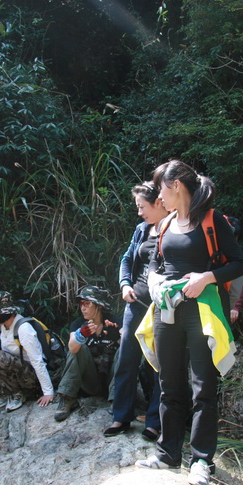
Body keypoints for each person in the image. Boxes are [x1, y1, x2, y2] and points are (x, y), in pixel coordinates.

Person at [135, 159, 243, 485]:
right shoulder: (166, 224)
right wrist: (154, 280)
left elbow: (240, 263)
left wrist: (207, 277)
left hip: (203, 311)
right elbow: (154, 262)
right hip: (167, 310)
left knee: (203, 387)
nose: (159, 198)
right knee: (168, 383)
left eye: (160, 190)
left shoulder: (213, 221)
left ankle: (201, 461)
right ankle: (169, 453)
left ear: (176, 186)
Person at [104, 181, 168, 440]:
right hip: (135, 303)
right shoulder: (142, 230)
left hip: (162, 308)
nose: (139, 212)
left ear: (158, 203)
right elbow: (127, 259)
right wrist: (124, 284)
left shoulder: (175, 230)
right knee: (126, 359)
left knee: (159, 365)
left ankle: (155, 421)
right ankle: (121, 417)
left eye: (142, 207)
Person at [0, 291, 55, 411]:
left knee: (0, 356)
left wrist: (48, 392)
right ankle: (4, 394)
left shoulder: (24, 329)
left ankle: (17, 395)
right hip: (14, 373)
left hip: (31, 379)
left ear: (5, 312)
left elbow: (37, 361)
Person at [54, 286, 121, 422]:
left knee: (124, 350)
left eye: (87, 304)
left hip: (112, 380)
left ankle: (118, 399)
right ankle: (67, 397)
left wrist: (120, 333)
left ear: (99, 306)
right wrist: (81, 335)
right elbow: (72, 348)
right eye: (81, 305)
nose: (83, 308)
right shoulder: (78, 324)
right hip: (91, 382)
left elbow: (130, 343)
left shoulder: (114, 321)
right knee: (78, 348)